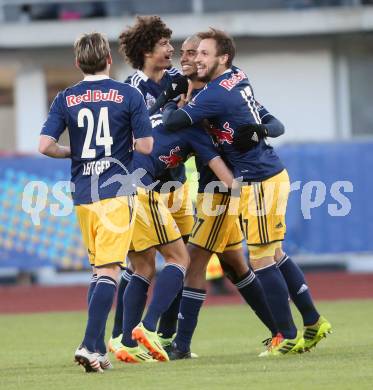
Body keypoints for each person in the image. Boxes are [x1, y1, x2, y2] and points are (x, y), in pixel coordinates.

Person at [163, 29, 331, 356]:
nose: (191, 58)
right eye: (187, 53)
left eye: (199, 53)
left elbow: (174, 123)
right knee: (261, 258)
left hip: (247, 181)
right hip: (249, 179)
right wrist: (260, 130)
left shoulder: (211, 94)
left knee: (255, 258)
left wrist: (167, 101)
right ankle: (311, 322)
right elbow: (265, 119)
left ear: (221, 58)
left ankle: (287, 335)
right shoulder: (236, 77)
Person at [38, 32, 153, 372]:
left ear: (77, 63)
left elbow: (44, 145)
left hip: (83, 194)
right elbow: (146, 146)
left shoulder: (66, 98)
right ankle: (91, 346)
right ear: (108, 60)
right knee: (110, 270)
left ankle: (94, 347)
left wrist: (73, 151)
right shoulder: (128, 94)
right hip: (116, 191)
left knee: (98, 271)